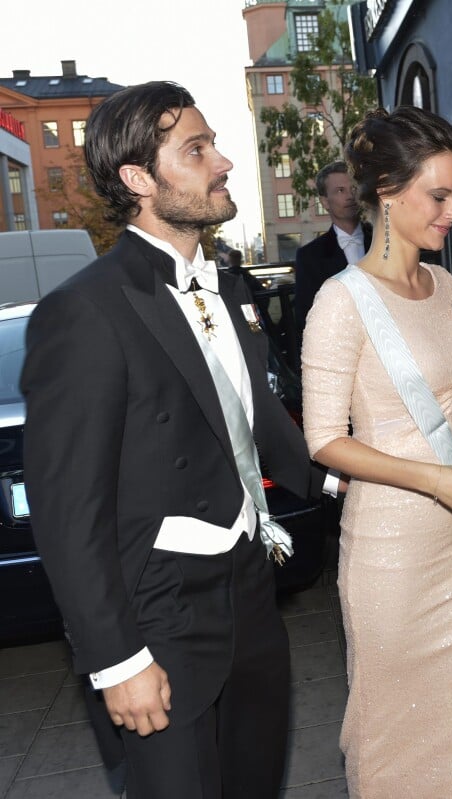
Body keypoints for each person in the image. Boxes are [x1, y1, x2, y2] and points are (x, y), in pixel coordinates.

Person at [20, 81, 333, 799]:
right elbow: (69, 514)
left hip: (252, 592)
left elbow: (257, 423)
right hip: (155, 617)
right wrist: (116, 658)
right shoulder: (85, 312)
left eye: (214, 144)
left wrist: (353, 478)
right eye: (196, 150)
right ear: (139, 180)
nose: (223, 162)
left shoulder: (232, 291)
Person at [301, 105, 452, 798]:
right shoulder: (339, 302)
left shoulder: (441, 286)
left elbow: (444, 408)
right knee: (401, 740)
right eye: (438, 197)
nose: (451, 214)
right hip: (395, 552)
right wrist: (435, 481)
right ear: (386, 190)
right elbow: (323, 438)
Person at [294, 160, 372, 338]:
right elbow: (307, 317)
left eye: (353, 188)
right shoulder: (309, 256)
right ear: (325, 202)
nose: (350, 196)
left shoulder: (383, 240)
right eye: (340, 191)